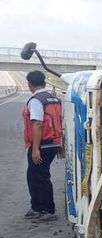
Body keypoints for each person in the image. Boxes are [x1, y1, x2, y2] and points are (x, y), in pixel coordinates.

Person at [22, 70, 63, 222]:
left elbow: (38, 124)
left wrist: (35, 149)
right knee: (33, 175)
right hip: (52, 143)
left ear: (30, 84)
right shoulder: (54, 99)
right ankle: (37, 207)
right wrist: (59, 145)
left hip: (42, 144)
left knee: (40, 177)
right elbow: (60, 121)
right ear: (44, 82)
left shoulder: (36, 100)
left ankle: (47, 210)